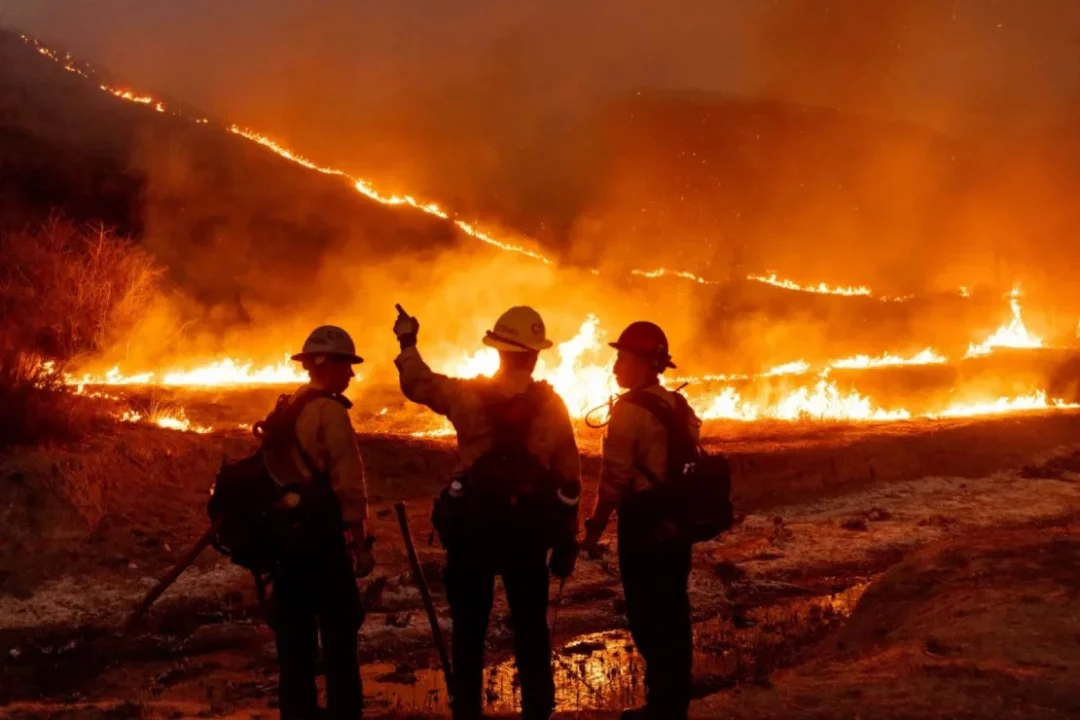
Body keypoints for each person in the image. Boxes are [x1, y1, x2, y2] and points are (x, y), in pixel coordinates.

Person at [392, 305, 581, 720]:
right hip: (528, 536)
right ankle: (537, 708)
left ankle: (468, 710)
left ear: (498, 350)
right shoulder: (552, 406)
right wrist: (567, 539)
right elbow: (569, 479)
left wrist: (407, 342)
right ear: (533, 355)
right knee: (532, 628)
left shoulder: (467, 396)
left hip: (473, 534)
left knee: (469, 632)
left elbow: (419, 384)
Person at [582, 321, 702, 720]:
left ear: (646, 363)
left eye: (622, 358)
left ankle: (661, 706)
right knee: (674, 609)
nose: (616, 365)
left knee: (648, 614)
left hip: (645, 525)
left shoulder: (630, 411)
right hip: (677, 525)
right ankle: (673, 702)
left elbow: (613, 478)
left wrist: (595, 526)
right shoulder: (679, 406)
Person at [262, 325, 374, 720]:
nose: (352, 374)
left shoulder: (290, 404)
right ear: (328, 364)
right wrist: (359, 543)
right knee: (341, 642)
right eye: (347, 365)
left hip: (286, 547)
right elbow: (348, 484)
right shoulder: (330, 412)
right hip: (323, 545)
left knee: (295, 648)